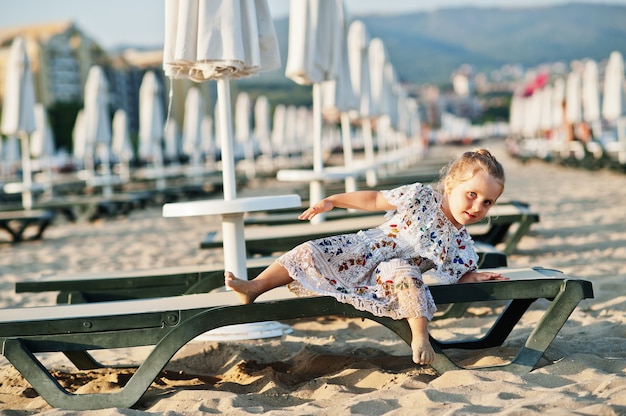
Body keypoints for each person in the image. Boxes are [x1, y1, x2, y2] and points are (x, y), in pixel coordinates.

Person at [226, 149, 508, 366]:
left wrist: (475, 276)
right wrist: (333, 200)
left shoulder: (461, 243)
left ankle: (420, 335)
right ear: (450, 185)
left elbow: (459, 274)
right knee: (311, 250)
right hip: (360, 252)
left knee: (407, 275)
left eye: (487, 202)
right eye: (471, 194)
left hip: (390, 274)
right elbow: (374, 199)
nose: (477, 206)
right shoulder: (420, 196)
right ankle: (256, 286)